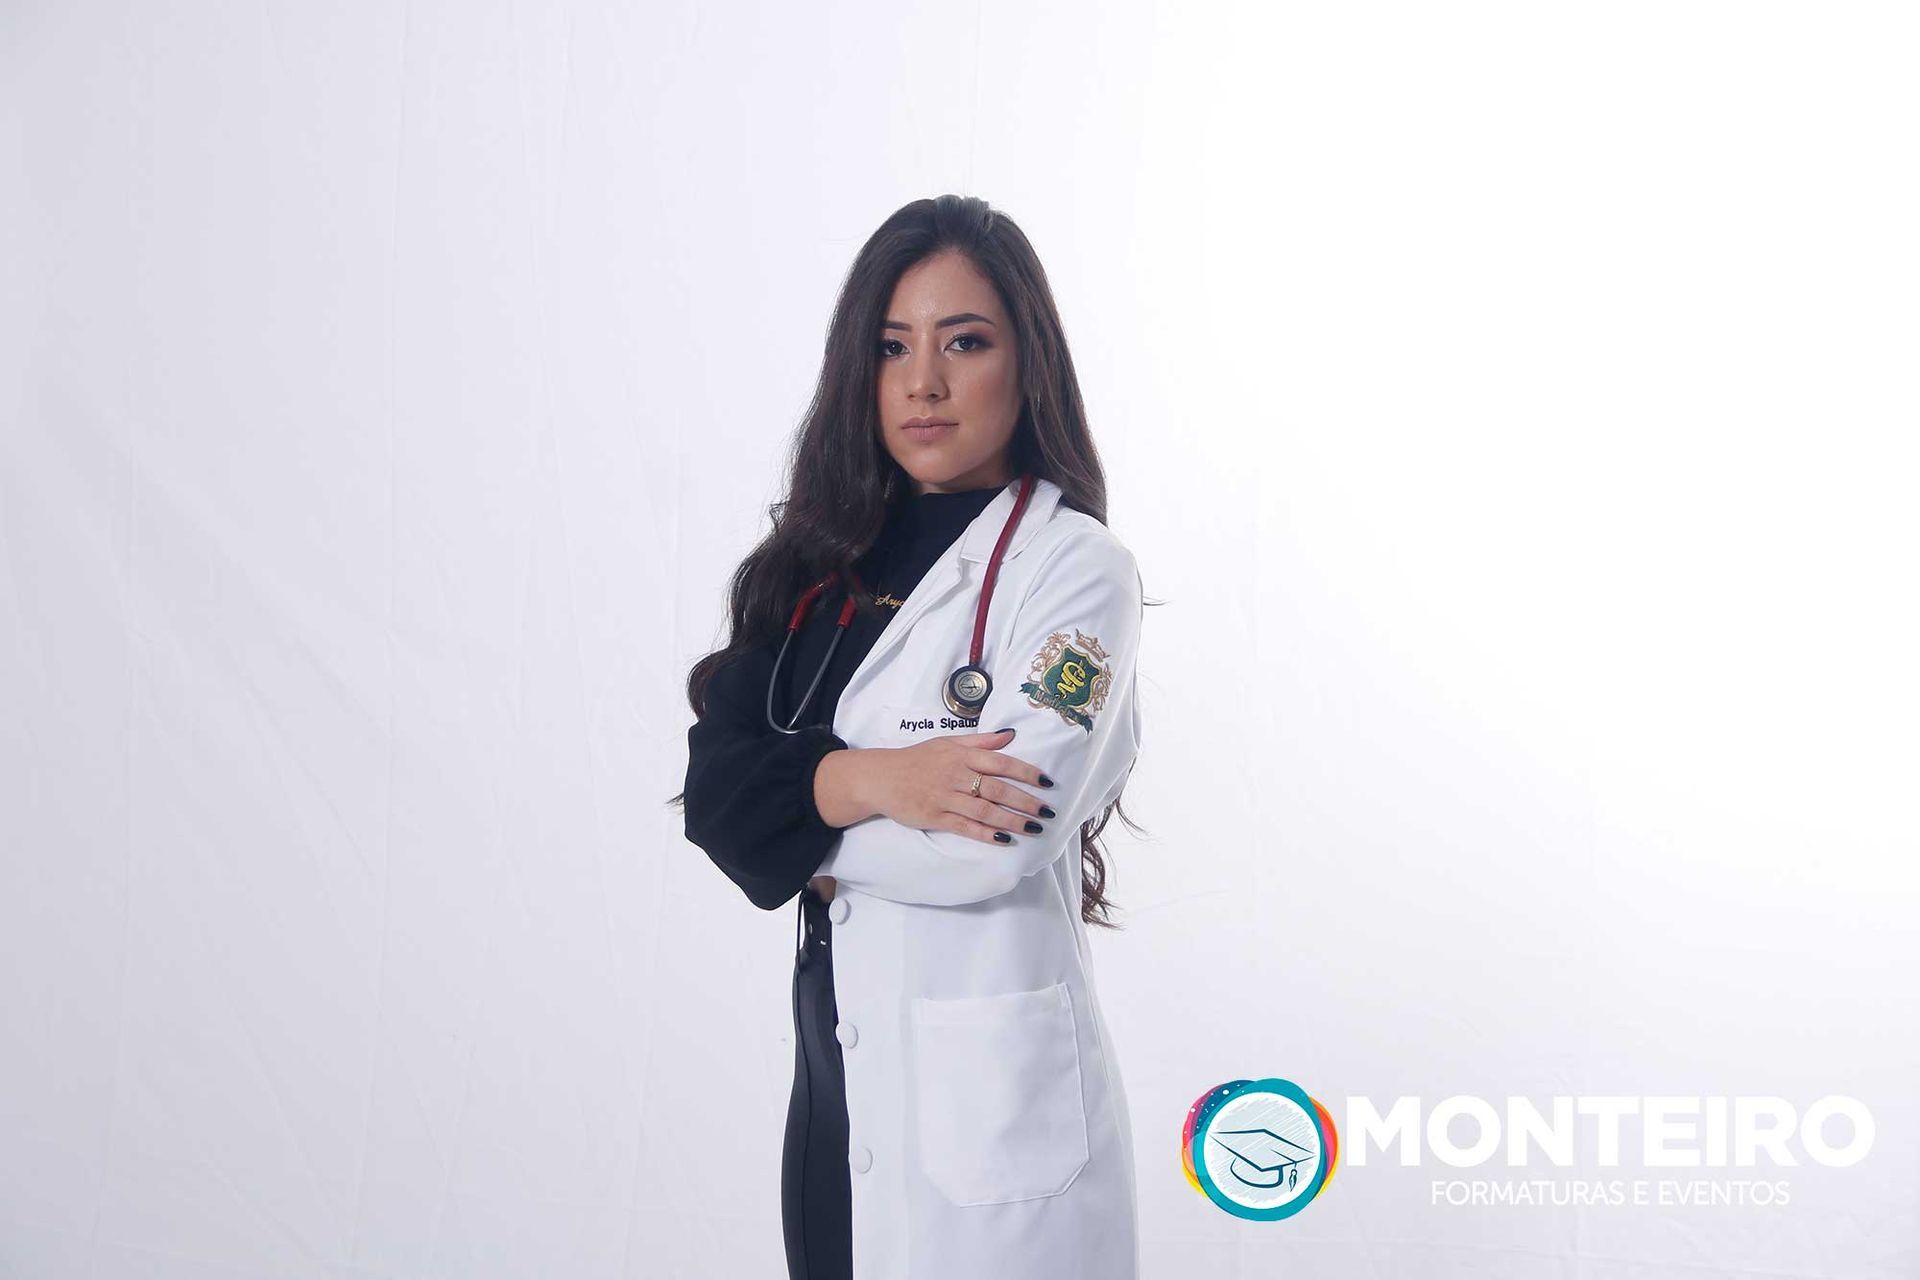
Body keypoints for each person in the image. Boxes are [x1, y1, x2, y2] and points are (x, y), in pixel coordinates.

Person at [672, 194, 1147, 1280]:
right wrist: (876, 780)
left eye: (964, 342)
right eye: (893, 347)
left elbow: (999, 838)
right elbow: (714, 801)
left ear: (1028, 364)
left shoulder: (1075, 571)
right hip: (834, 1105)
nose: (923, 382)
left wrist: (791, 824)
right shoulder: (811, 573)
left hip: (996, 1136)